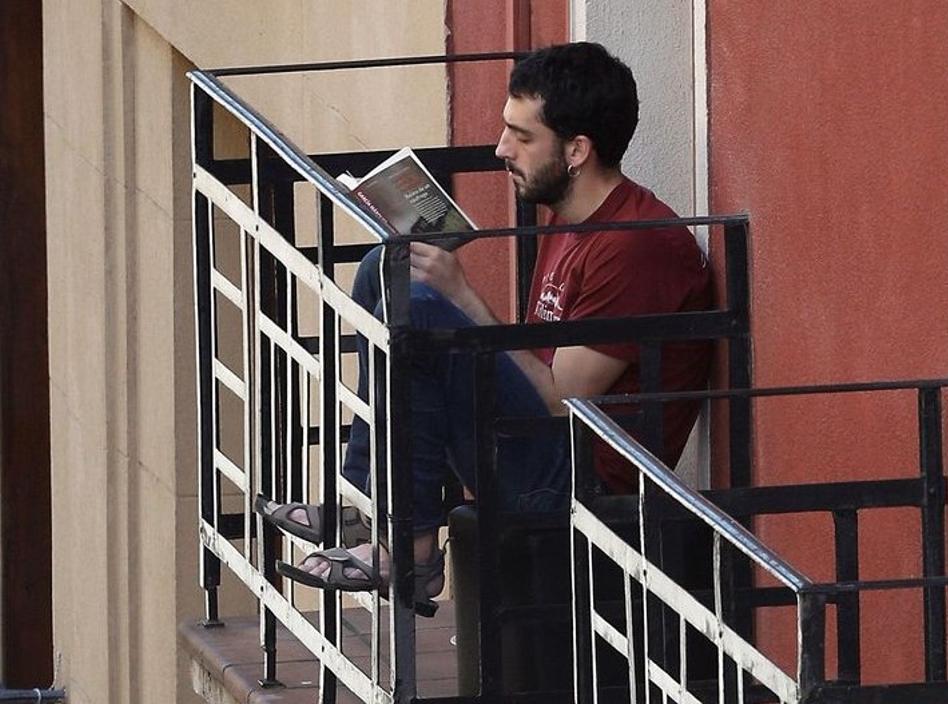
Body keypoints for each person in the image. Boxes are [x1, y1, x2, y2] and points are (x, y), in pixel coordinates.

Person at [257, 42, 713, 613]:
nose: (501, 150)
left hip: (580, 481)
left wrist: (463, 296)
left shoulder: (634, 245)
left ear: (576, 150)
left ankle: (412, 550)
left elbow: (561, 401)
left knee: (422, 309)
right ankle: (374, 507)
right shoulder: (574, 221)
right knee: (388, 265)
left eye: (522, 137)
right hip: (538, 446)